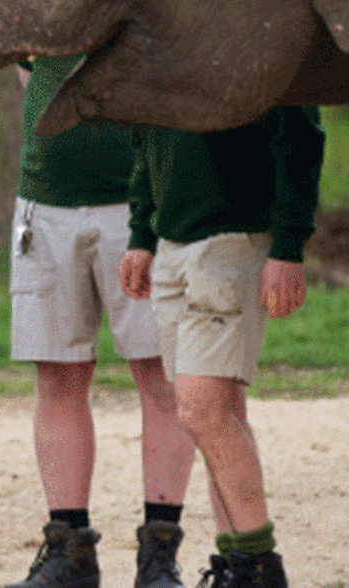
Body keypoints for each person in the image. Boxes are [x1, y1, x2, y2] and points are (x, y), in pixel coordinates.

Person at [5, 0, 196, 588]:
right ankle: (68, 548)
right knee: (58, 377)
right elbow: (29, 73)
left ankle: (160, 553)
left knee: (160, 377)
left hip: (140, 209)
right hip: (46, 204)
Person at [119, 105, 324, 588]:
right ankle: (236, 562)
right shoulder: (159, 46)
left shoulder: (260, 36)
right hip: (171, 243)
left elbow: (301, 136)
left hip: (235, 237)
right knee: (221, 411)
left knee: (200, 410)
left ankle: (260, 562)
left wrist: (288, 246)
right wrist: (142, 234)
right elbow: (147, 140)